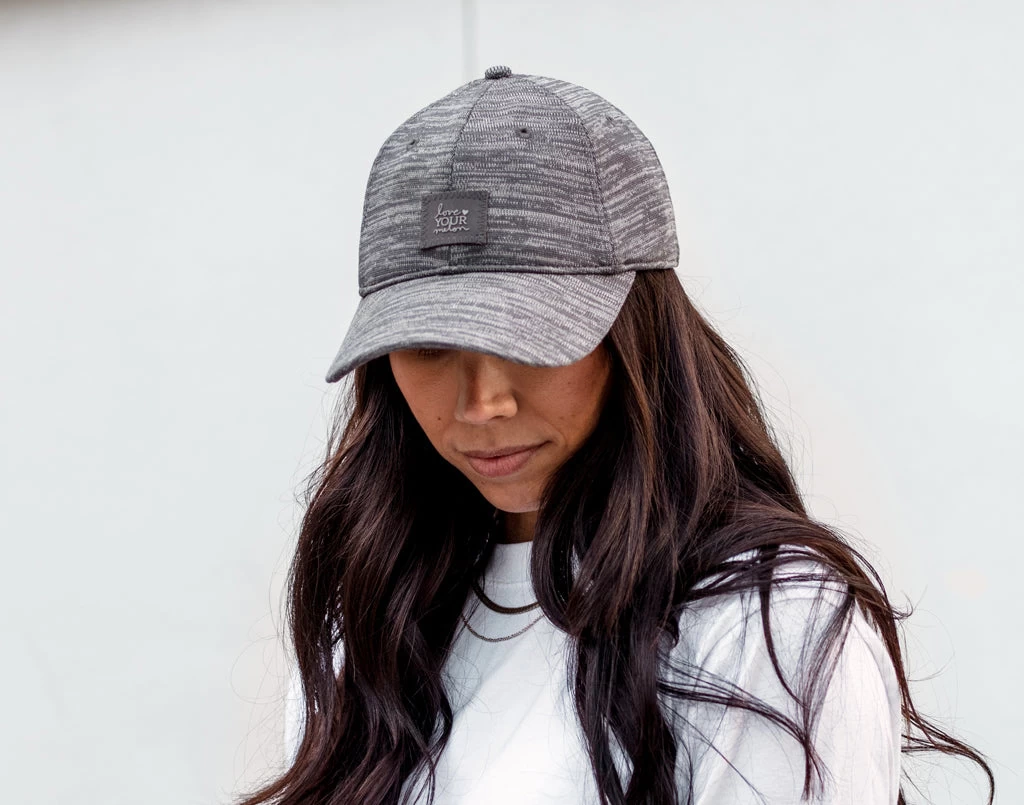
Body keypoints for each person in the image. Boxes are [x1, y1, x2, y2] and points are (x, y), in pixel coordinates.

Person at [237, 66, 993, 805]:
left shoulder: (764, 624)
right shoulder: (374, 612)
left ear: (638, 331)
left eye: (530, 336)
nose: (483, 402)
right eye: (429, 346)